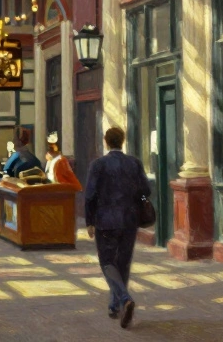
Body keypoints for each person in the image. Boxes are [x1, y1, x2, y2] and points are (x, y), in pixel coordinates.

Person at [84, 127, 150, 330]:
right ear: (122, 141)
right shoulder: (134, 163)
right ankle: (115, 305)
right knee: (123, 262)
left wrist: (90, 221)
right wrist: (138, 203)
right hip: (129, 220)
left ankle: (124, 298)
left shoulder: (98, 165)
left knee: (107, 262)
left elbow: (89, 196)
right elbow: (145, 192)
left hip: (105, 220)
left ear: (106, 141)